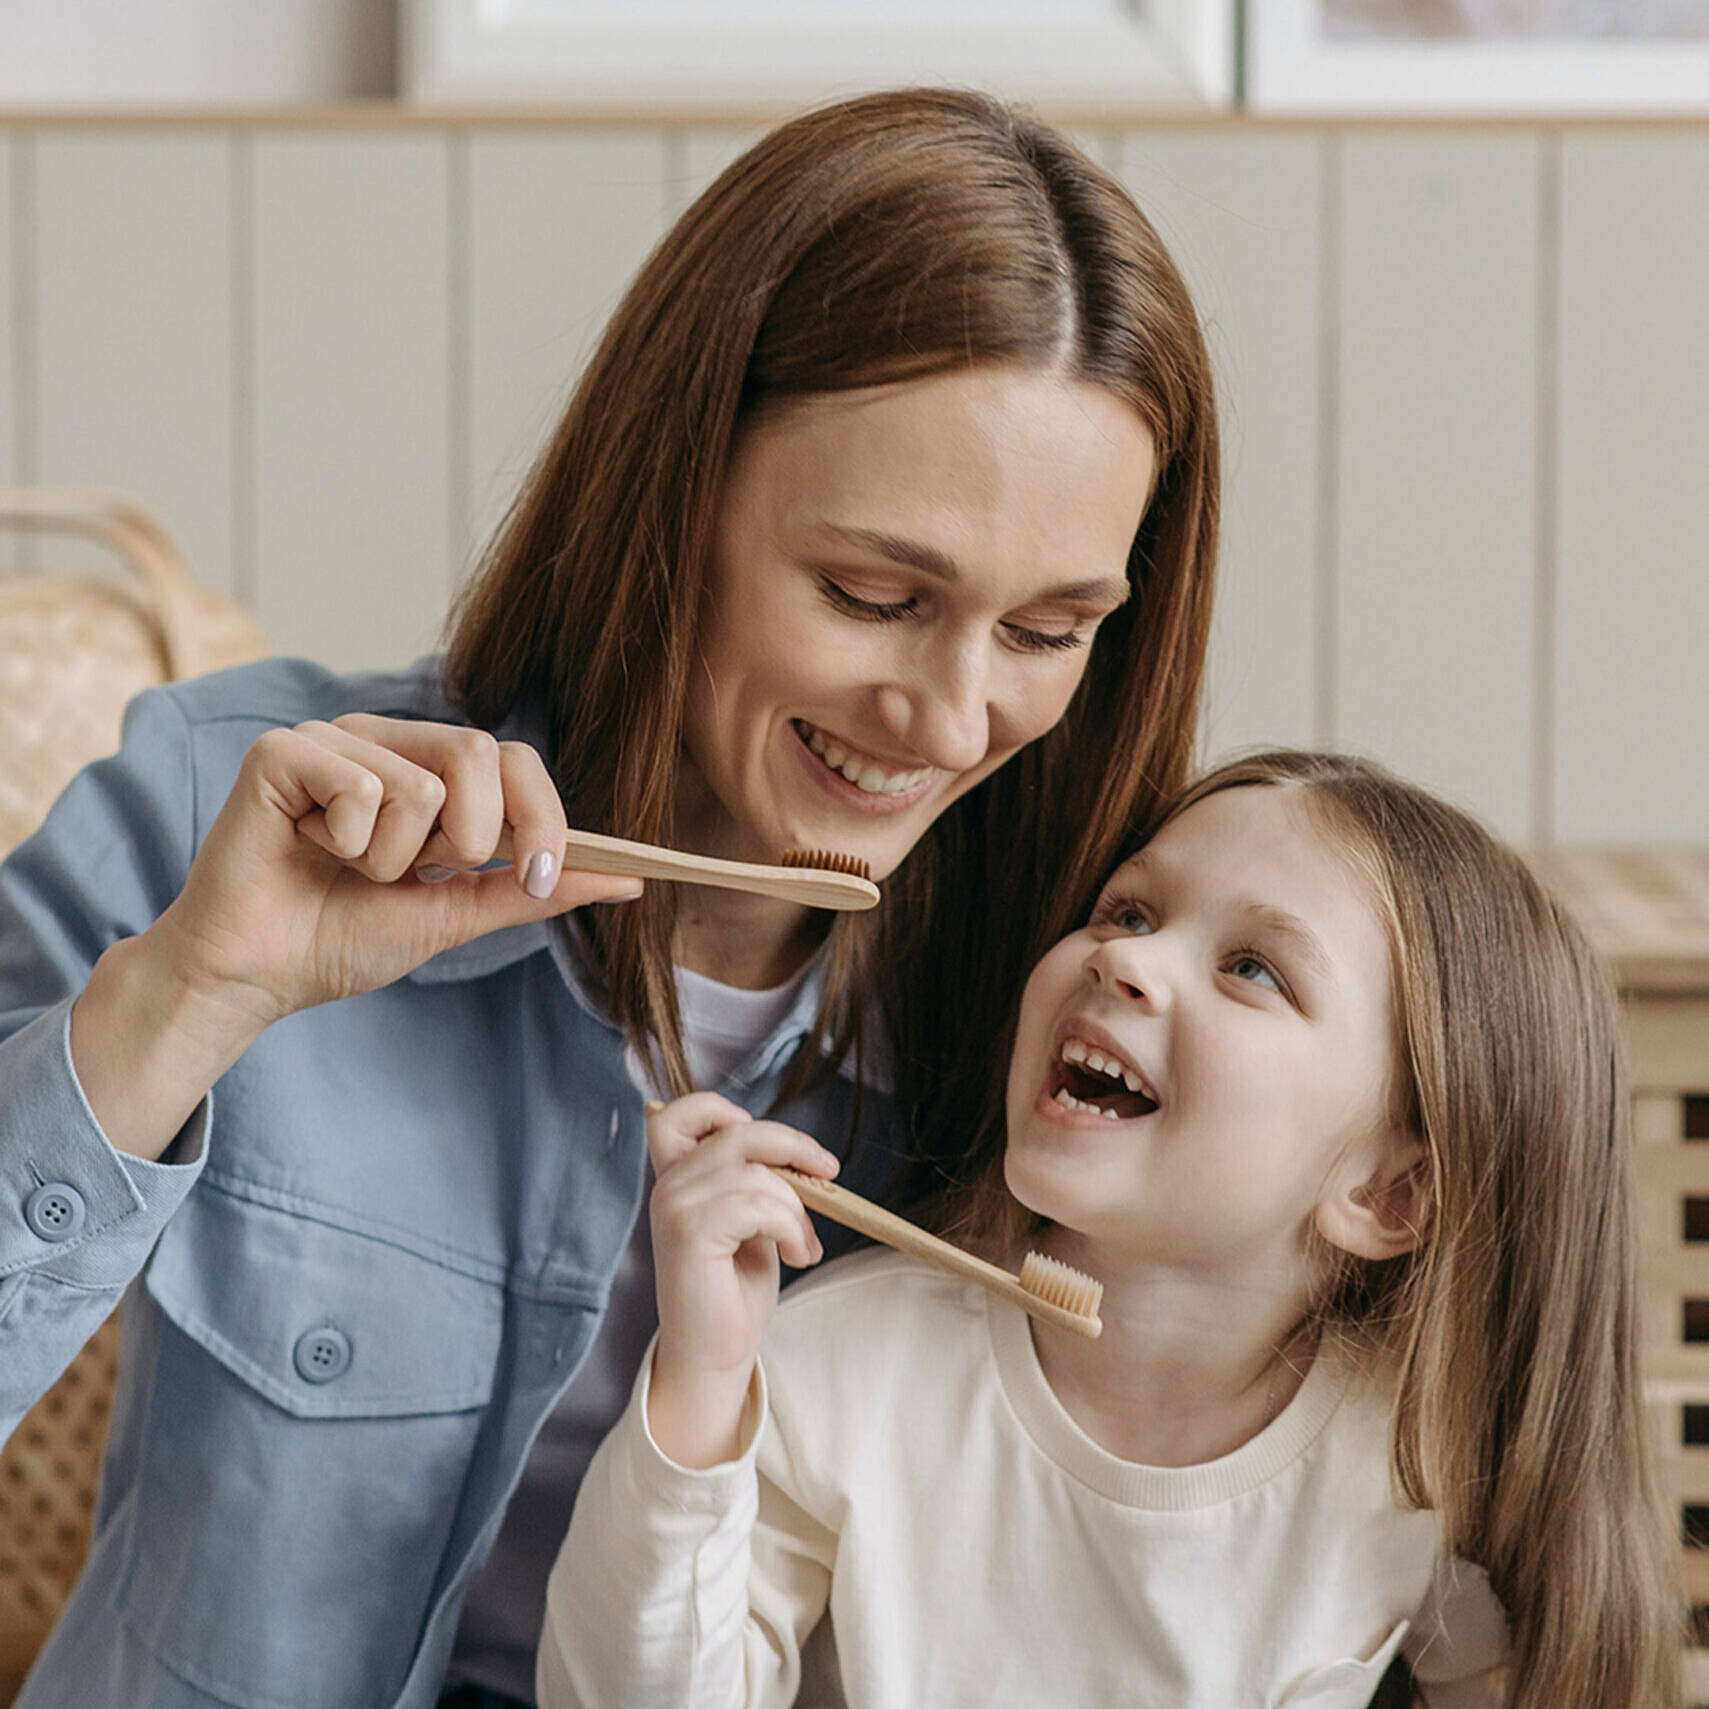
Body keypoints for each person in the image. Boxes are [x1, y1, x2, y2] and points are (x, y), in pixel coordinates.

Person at [0, 89, 1219, 1709]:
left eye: (1048, 629)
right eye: (872, 593)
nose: (945, 717)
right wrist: (188, 994)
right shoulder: (222, 809)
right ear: (672, 496)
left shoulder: (1077, 1023)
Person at [541, 750, 1684, 1709]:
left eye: (1251, 967)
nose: (1123, 956)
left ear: (1388, 1195)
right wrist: (698, 1383)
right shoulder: (836, 1371)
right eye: (1128, 908)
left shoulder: (1411, 1466)